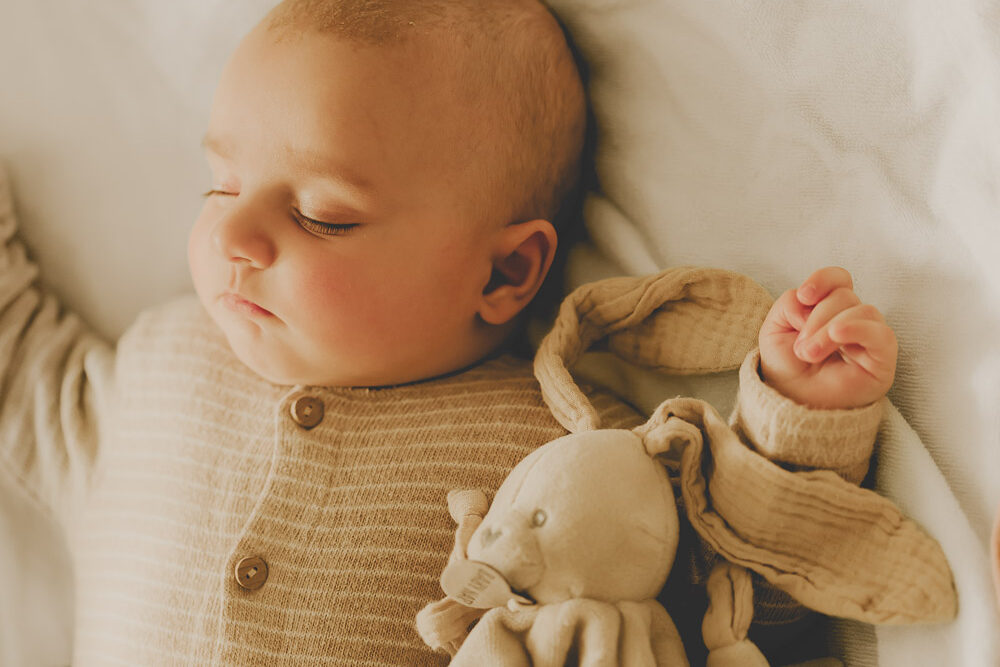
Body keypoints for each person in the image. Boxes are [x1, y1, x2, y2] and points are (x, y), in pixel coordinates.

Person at [0, 0, 896, 664]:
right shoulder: (153, 373)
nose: (232, 238)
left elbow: (752, 602)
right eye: (221, 185)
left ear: (505, 273)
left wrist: (797, 418)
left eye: (321, 215)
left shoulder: (574, 446)